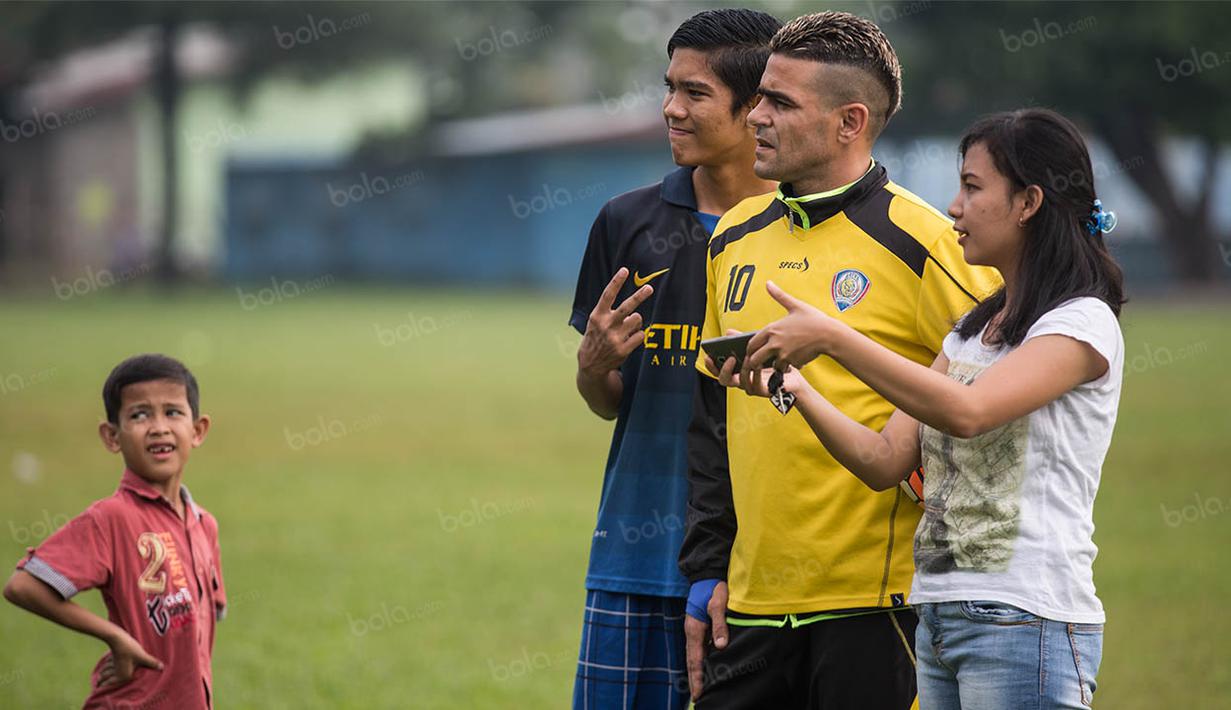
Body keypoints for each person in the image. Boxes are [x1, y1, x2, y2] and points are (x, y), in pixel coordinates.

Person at [728, 107, 1124, 710]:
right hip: (936, 613)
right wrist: (794, 387)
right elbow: (884, 459)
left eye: (972, 187)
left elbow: (967, 412)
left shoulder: (1080, 324)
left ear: (1028, 202)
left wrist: (833, 336)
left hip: (1026, 618)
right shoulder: (970, 332)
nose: (955, 207)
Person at [677, 11, 1001, 708]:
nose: (755, 116)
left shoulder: (927, 242)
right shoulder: (732, 235)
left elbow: (993, 405)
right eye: (759, 96)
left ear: (849, 122)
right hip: (751, 606)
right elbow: (711, 420)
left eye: (779, 103)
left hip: (876, 605)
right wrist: (707, 570)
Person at [566, 8, 782, 708]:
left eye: (693, 93)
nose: (669, 109)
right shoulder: (625, 223)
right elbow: (609, 401)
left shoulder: (802, 234)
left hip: (760, 568)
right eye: (668, 88)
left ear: (754, 108)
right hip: (632, 557)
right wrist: (592, 366)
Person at [3, 354, 225, 709]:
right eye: (139, 415)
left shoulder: (204, 525)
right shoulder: (111, 518)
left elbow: (200, 623)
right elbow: (23, 587)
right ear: (112, 436)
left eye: (172, 412)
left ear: (197, 430)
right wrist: (116, 637)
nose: (158, 427)